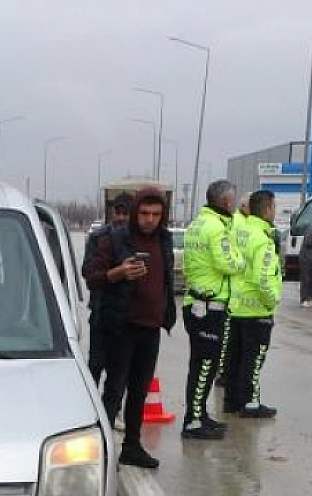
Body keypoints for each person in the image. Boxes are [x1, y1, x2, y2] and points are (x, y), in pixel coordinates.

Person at [83, 186, 177, 469]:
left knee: (139, 391)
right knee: (114, 389)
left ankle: (132, 446)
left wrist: (166, 312)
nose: (150, 219)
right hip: (121, 325)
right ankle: (103, 449)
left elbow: (166, 279)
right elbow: (92, 277)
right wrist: (119, 272)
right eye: (145, 213)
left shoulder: (164, 240)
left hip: (151, 327)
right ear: (136, 213)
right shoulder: (113, 239)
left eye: (156, 214)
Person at [180, 180, 245, 440]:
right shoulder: (216, 228)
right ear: (227, 202)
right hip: (209, 306)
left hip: (199, 303)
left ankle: (199, 414)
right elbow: (229, 263)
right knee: (205, 364)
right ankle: (194, 420)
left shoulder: (196, 224)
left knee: (204, 364)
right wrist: (240, 259)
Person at [224, 191, 283, 418]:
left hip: (238, 305)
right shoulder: (263, 239)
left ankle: (232, 401)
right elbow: (263, 278)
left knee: (235, 358)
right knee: (253, 360)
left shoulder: (241, 231)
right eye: (274, 207)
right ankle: (250, 403)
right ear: (267, 210)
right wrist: (273, 300)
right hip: (257, 309)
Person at [84, 195, 133, 385]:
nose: (121, 218)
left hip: (127, 315)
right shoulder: (98, 237)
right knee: (95, 364)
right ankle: (91, 405)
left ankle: (113, 410)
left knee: (120, 370)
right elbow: (87, 272)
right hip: (101, 310)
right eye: (117, 213)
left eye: (125, 214)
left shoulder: (137, 240)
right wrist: (115, 271)